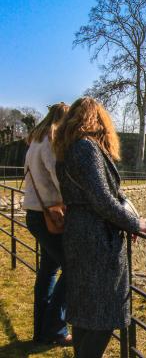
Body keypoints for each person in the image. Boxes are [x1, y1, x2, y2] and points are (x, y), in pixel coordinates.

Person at [53, 97, 146, 358]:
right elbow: (103, 200)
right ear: (97, 120)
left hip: (78, 232)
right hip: (96, 238)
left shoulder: (67, 149)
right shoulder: (86, 148)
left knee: (85, 310)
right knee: (106, 312)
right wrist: (135, 223)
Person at [24, 102, 72, 346]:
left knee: (48, 271)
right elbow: (59, 177)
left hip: (35, 212)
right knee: (72, 267)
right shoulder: (52, 140)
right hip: (49, 215)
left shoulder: (35, 141)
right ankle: (55, 328)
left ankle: (41, 330)